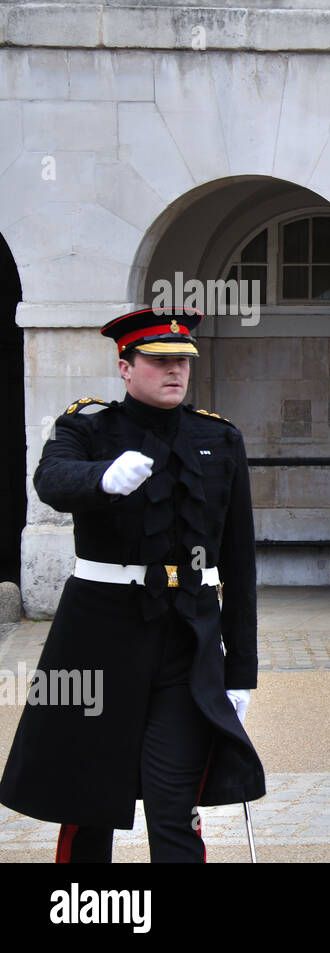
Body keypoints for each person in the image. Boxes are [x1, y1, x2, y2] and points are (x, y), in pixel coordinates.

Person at [0, 306, 265, 862]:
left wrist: (240, 671)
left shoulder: (217, 437)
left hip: (185, 639)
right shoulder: (87, 427)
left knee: (174, 805)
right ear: (125, 367)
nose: (175, 372)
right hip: (99, 637)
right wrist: (102, 476)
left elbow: (239, 562)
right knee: (88, 803)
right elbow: (51, 479)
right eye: (159, 361)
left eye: (182, 362)